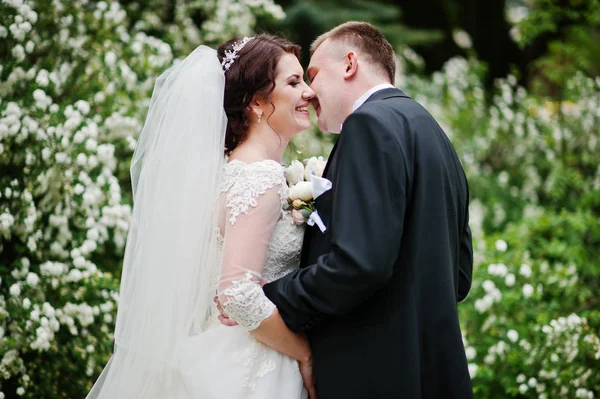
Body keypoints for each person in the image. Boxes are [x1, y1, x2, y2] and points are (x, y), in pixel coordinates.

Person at [222, 21, 474, 398]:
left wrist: (270, 295)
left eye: (312, 75)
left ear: (350, 64)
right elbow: (459, 275)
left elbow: (361, 263)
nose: (309, 91)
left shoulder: (369, 124)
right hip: (429, 370)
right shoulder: (432, 132)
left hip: (373, 371)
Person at [86, 34, 317, 399]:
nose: (309, 92)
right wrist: (303, 352)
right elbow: (237, 293)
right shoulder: (260, 176)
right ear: (256, 102)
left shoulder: (234, 168)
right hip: (258, 363)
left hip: (232, 343)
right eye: (294, 82)